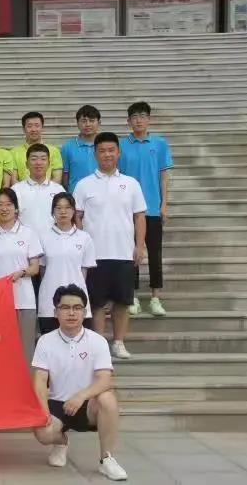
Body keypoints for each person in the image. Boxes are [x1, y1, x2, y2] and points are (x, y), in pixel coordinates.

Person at [32, 284, 128, 481]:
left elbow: (105, 379)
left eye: (77, 308)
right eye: (65, 308)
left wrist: (81, 396)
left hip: (88, 405)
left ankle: (107, 459)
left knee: (108, 398)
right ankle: (61, 442)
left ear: (85, 312)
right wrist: (43, 411)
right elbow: (40, 380)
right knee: (43, 433)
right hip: (57, 404)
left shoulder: (97, 341)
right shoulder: (45, 341)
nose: (71, 313)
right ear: (55, 312)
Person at [74, 132, 147, 360]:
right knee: (96, 302)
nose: (107, 154)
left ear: (118, 152)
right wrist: (82, 246)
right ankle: (99, 346)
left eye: (111, 150)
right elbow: (77, 217)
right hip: (95, 255)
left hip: (124, 252)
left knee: (123, 301)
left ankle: (118, 342)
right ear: (95, 154)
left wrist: (140, 246)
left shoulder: (131, 183)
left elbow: (139, 217)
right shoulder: (84, 185)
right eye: (102, 151)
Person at [120, 101, 173, 317]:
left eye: (142, 116)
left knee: (155, 253)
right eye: (134, 117)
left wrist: (164, 203)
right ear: (128, 121)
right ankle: (132, 296)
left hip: (151, 208)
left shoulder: (159, 144)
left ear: (149, 119)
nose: (138, 120)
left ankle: (155, 298)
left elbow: (163, 176)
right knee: (130, 252)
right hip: (128, 210)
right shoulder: (121, 146)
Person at [0, 188, 42, 363]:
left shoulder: (29, 234)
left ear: (16, 208)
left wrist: (22, 273)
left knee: (25, 349)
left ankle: (28, 381)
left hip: (24, 300)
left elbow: (35, 268)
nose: (4, 208)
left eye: (8, 204)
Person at [38, 193, 96, 335]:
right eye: (58, 208)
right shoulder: (43, 237)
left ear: (74, 210)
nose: (63, 212)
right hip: (49, 298)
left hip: (77, 299)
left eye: (67, 207)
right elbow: (42, 269)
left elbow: (84, 271)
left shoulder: (84, 237)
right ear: (52, 211)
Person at [12, 143, 66, 239]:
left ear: (49, 164)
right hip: (25, 243)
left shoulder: (59, 190)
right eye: (34, 159)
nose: (38, 163)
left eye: (43, 159)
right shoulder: (16, 190)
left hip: (53, 242)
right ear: (26, 164)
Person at [10, 112, 63, 184]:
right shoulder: (13, 152)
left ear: (42, 128)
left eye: (37, 125)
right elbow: (13, 180)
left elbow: (57, 178)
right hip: (22, 191)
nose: (33, 129)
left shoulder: (54, 151)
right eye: (29, 126)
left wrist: (43, 190)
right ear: (23, 129)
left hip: (48, 190)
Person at [61, 105, 100, 192]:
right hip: (76, 195)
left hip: (102, 194)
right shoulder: (67, 147)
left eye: (92, 121)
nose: (88, 124)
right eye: (84, 121)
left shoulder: (105, 146)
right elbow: (65, 177)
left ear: (99, 123)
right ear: (77, 124)